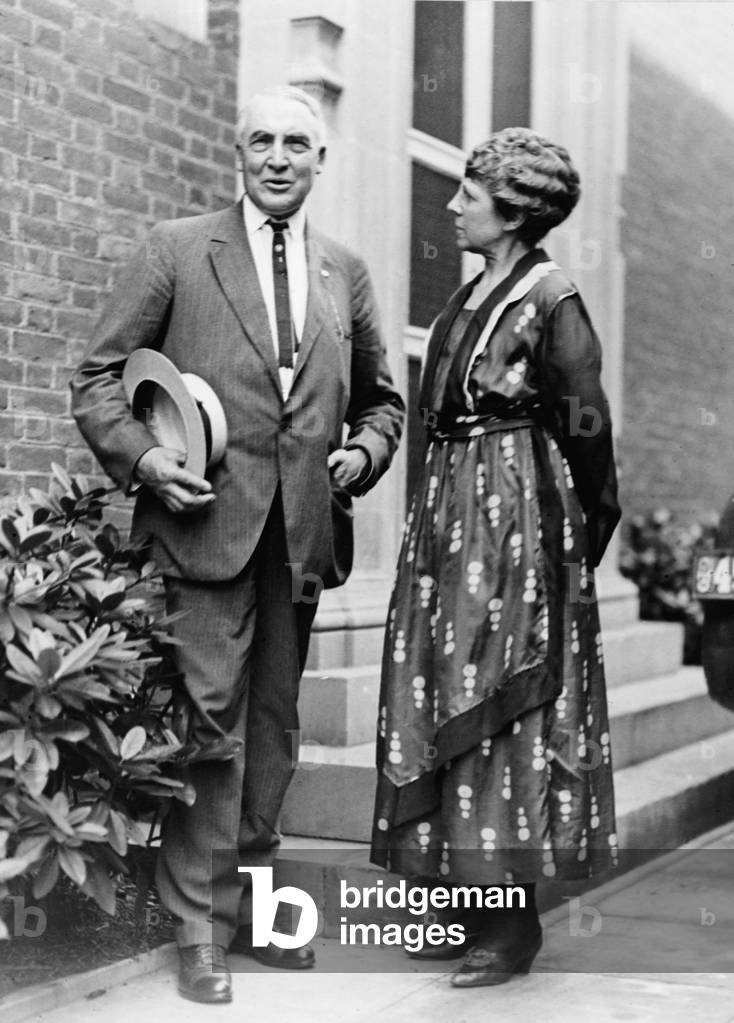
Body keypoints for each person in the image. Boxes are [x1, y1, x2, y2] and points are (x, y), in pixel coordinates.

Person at [71, 86, 404, 1005]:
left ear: (322, 160)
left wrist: (364, 451)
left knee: (273, 730)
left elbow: (382, 399)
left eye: (299, 143)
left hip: (298, 536)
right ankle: (198, 930)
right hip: (203, 526)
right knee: (211, 727)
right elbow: (99, 376)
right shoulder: (176, 250)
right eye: (263, 141)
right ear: (239, 154)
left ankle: (257, 910)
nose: (280, 157)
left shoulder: (346, 271)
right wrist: (143, 461)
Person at [370, 127, 621, 987]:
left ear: (510, 210)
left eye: (468, 194)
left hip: (515, 519)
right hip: (450, 515)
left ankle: (508, 930)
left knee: (498, 702)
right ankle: (460, 904)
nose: (451, 205)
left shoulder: (553, 298)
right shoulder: (469, 297)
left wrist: (570, 553)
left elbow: (588, 431)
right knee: (442, 690)